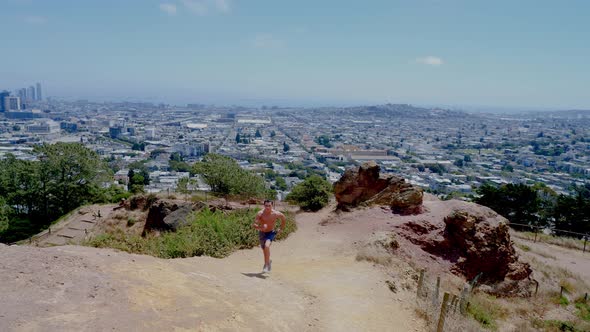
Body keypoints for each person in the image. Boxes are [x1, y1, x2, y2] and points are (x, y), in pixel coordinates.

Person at [252, 199, 286, 273]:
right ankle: (268, 261)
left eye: (269, 206)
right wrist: (261, 227)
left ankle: (266, 265)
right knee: (264, 250)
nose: (267, 207)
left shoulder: (276, 213)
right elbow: (254, 225)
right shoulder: (260, 213)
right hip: (262, 233)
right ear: (264, 205)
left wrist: (281, 229)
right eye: (266, 206)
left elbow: (283, 218)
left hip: (271, 232)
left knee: (267, 246)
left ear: (272, 206)